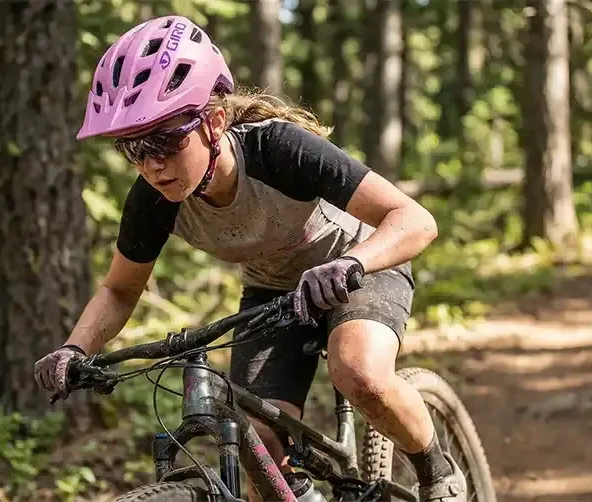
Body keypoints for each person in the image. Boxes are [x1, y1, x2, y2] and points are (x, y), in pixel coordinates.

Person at [34, 15, 466, 502]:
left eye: (165, 141)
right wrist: (74, 349)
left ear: (214, 122)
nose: (152, 163)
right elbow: (119, 289)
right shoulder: (151, 200)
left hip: (358, 262)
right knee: (258, 447)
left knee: (359, 372)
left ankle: (438, 474)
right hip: (275, 289)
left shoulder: (278, 150)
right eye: (133, 147)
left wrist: (354, 264)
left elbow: (414, 219)